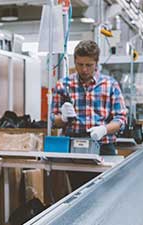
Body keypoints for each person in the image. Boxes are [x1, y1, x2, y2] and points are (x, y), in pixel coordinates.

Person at [51, 40, 127, 189]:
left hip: (104, 147)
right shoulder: (64, 85)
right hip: (74, 147)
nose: (84, 70)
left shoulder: (110, 84)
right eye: (80, 65)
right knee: (78, 193)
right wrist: (64, 118)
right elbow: (53, 119)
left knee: (107, 193)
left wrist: (104, 129)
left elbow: (121, 118)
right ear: (75, 61)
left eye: (89, 65)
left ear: (96, 63)